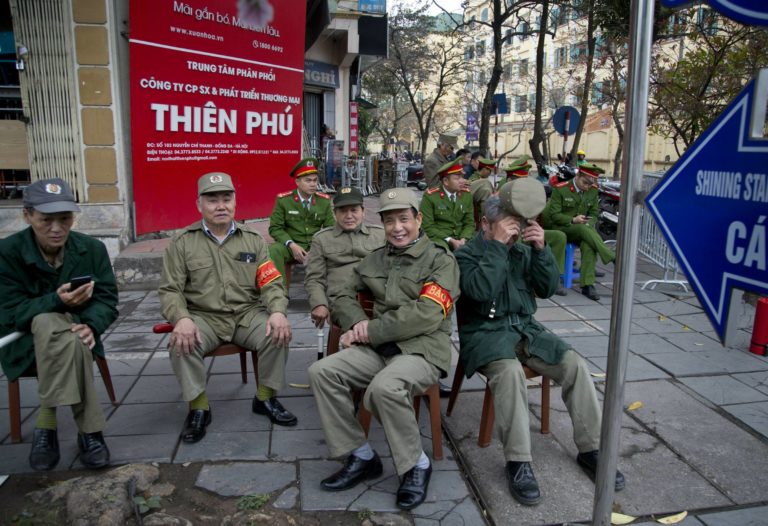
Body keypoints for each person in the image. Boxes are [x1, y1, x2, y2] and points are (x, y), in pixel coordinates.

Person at [455, 180, 625, 506]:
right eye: (504, 226)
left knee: (574, 363)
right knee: (509, 373)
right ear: (484, 224)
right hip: (485, 336)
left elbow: (547, 289)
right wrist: (496, 247)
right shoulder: (467, 255)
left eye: (516, 226)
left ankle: (591, 449)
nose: (513, 232)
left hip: (526, 330)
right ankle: (519, 462)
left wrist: (540, 249)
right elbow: (480, 292)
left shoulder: (522, 248)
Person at [309, 188, 459, 510]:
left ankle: (416, 465)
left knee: (383, 388)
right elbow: (343, 294)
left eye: (404, 219)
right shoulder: (375, 259)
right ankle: (362, 456)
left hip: (421, 350)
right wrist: (356, 324)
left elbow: (428, 313)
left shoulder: (440, 259)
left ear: (418, 219)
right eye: (389, 221)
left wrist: (370, 331)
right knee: (322, 372)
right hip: (379, 348)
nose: (397, 228)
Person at [159, 172, 296, 444]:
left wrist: (278, 311)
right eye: (212, 200)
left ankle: (265, 398)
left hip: (246, 314)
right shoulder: (182, 243)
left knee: (278, 333)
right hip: (204, 317)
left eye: (226, 198)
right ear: (199, 205)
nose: (221, 206)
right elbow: (170, 290)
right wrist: (181, 318)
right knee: (180, 343)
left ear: (235, 202)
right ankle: (199, 408)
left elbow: (270, 283)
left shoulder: (253, 240)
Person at [0, 178, 118, 471]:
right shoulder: (6, 253)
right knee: (49, 323)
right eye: (46, 220)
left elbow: (107, 300)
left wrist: (92, 324)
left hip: (79, 332)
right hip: (23, 340)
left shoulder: (91, 249)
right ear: (26, 215)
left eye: (64, 219)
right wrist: (56, 301)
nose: (56, 228)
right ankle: (90, 433)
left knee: (73, 339)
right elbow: (10, 313)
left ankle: (46, 426)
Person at [304, 187, 385, 329]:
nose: (349, 216)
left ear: (363, 212)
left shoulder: (380, 235)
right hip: (340, 300)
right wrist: (319, 303)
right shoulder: (322, 239)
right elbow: (314, 278)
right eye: (343, 211)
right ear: (335, 213)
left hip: (377, 297)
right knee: (361, 327)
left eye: (354, 210)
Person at [542, 163, 615, 301]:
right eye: (585, 182)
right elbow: (554, 215)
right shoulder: (561, 189)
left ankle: (587, 285)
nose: (587, 187)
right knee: (584, 229)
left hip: (581, 229)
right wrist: (573, 220)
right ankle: (611, 256)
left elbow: (594, 213)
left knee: (589, 245)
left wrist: (589, 222)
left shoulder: (592, 191)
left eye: (590, 184)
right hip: (561, 227)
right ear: (578, 176)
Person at [268, 158, 335, 279]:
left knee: (337, 248)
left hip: (316, 246)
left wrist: (317, 248)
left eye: (315, 180)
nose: (313, 184)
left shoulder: (323, 201)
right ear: (297, 182)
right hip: (290, 246)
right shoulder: (284, 200)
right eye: (308, 180)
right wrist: (291, 245)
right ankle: (279, 294)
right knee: (274, 250)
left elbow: (330, 229)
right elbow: (275, 228)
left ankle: (331, 291)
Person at [420, 159, 475, 251]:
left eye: (462, 177)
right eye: (457, 178)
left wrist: (464, 239)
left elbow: (469, 223)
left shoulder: (466, 195)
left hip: (462, 238)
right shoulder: (430, 197)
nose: (462, 181)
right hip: (440, 239)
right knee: (441, 253)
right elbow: (427, 226)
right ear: (445, 181)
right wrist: (450, 240)